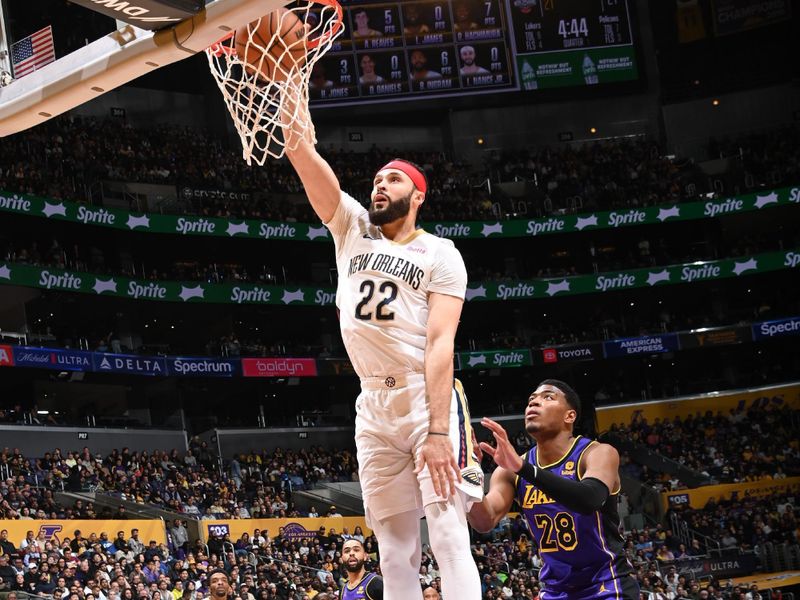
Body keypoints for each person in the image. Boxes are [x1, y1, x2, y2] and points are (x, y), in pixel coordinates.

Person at [280, 91, 483, 600]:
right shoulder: (350, 226)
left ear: (417, 196)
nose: (379, 185)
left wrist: (439, 430)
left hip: (423, 397)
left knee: (447, 533)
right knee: (393, 549)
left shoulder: (441, 253)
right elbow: (303, 154)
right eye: (376, 179)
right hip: (372, 404)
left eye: (393, 179)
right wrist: (288, 90)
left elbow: (441, 345)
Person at [468, 380, 640, 600]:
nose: (534, 402)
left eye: (547, 397)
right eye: (531, 399)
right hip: (554, 590)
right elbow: (484, 521)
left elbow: (589, 499)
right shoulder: (510, 470)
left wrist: (524, 469)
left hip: (606, 584)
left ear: (570, 416)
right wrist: (468, 474)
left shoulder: (597, 453)